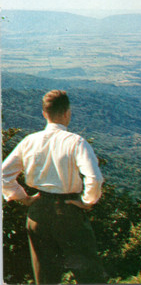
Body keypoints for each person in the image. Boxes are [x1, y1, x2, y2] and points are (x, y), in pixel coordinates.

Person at [2, 90, 106, 284]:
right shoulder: (76, 142)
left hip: (38, 211)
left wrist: (24, 198)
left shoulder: (29, 141)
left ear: (44, 114)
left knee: (45, 278)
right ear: (67, 113)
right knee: (89, 275)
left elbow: (3, 173)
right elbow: (94, 178)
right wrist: (86, 201)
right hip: (68, 210)